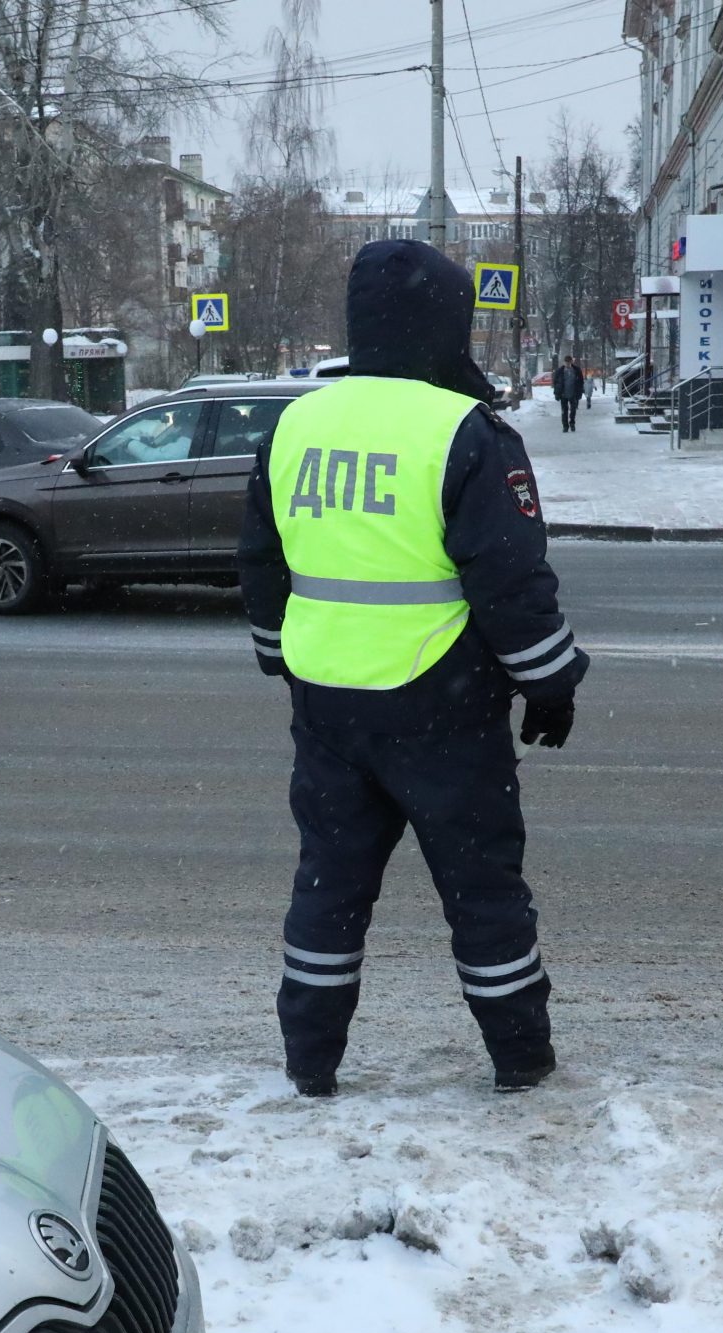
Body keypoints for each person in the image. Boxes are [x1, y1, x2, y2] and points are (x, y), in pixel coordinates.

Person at [238, 240, 590, 1096]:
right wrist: (549, 682)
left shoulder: (296, 424)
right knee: (482, 893)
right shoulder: (462, 432)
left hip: (326, 707)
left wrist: (278, 653)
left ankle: (310, 1063)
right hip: (443, 706)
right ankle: (520, 1058)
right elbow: (511, 580)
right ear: (445, 327)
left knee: (328, 889)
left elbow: (260, 558)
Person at [551, 354, 586, 432]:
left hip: (573, 393)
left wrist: (580, 392)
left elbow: (581, 382)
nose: (567, 364)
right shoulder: (560, 371)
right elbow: (556, 383)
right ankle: (565, 426)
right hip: (563, 394)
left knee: (573, 410)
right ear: (564, 362)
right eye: (566, 362)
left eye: (569, 362)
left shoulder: (576, 370)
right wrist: (556, 394)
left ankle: (572, 423)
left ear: (571, 362)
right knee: (564, 411)